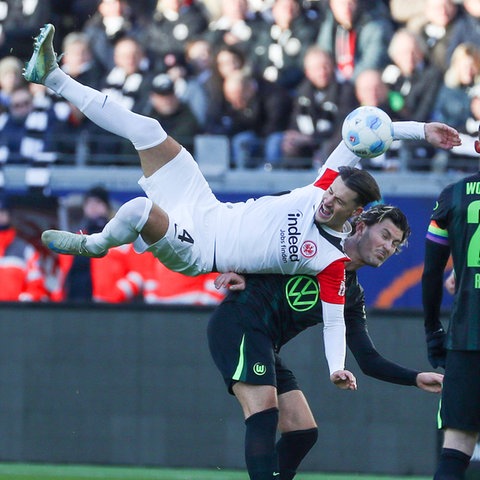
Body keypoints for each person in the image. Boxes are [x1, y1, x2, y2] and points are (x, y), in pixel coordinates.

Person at [24, 24, 460, 386]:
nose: (328, 199)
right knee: (148, 129)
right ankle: (53, 76)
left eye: (338, 200)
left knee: (138, 211)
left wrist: (336, 368)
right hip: (205, 208)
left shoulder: (328, 261)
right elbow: (358, 141)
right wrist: (419, 130)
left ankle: (96, 244)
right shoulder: (318, 192)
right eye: (331, 191)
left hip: (199, 250)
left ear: (353, 213)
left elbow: (333, 323)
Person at [209, 205, 444, 480]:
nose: (388, 247)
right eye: (384, 235)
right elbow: (265, 228)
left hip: (265, 344)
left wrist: (415, 378)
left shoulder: (352, 295)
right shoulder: (316, 240)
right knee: (264, 413)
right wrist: (231, 265)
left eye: (395, 243)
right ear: (360, 227)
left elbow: (368, 361)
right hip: (238, 324)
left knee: (302, 431)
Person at [421, 131, 480, 480]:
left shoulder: (452, 195)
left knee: (456, 447)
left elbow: (431, 274)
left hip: (467, 338)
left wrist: (432, 330)